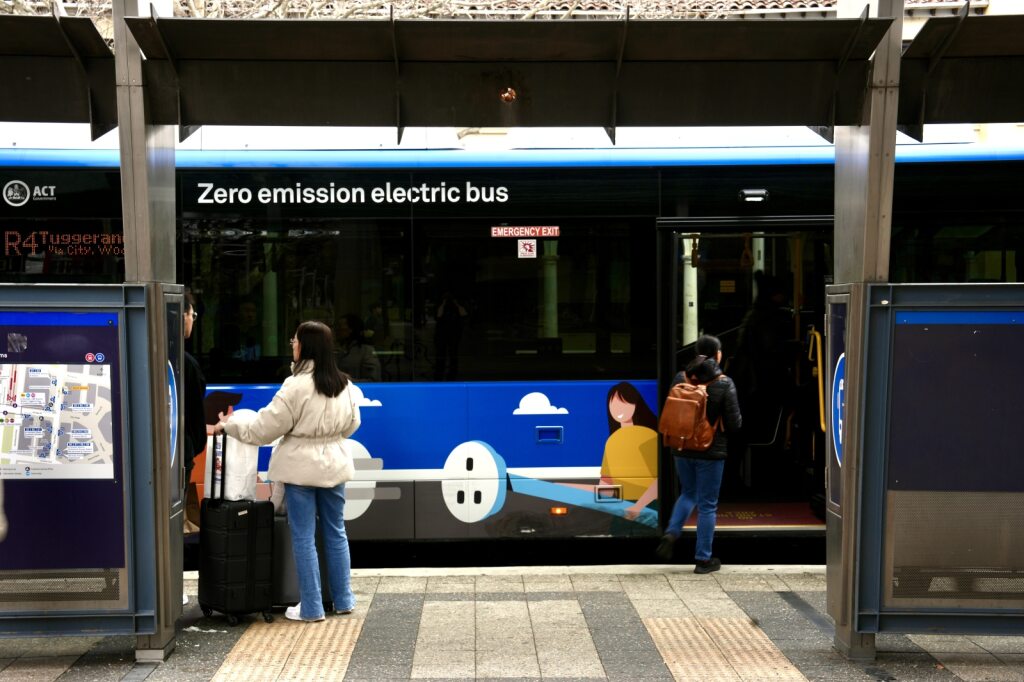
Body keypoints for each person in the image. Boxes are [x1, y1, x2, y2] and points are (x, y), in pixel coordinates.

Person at [213, 320, 360, 622]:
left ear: (305, 346)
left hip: (299, 470)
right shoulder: (344, 383)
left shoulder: (295, 386)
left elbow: (263, 429)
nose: (292, 345)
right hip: (335, 464)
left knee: (303, 537)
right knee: (335, 531)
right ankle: (344, 600)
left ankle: (312, 607)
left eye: (294, 341)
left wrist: (230, 425)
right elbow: (352, 424)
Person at [657, 335, 742, 573]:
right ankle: (703, 559)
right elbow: (735, 424)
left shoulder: (680, 377)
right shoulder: (724, 383)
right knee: (707, 505)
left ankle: (671, 534)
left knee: (688, 493)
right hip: (710, 451)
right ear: (717, 355)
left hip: (681, 447)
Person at [600, 382, 659, 521]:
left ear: (635, 405)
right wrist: (605, 503)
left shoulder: (649, 436)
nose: (618, 408)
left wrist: (638, 506)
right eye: (613, 404)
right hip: (621, 506)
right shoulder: (612, 440)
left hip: (648, 505)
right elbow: (606, 480)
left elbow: (658, 479)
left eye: (623, 403)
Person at [182, 290, 207, 525]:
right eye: (193, 315)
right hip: (180, 452)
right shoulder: (186, 364)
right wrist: (195, 444)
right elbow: (195, 416)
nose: (192, 320)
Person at [336, 313, 381, 382]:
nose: (337, 329)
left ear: (351, 329)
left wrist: (351, 381)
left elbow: (373, 379)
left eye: (340, 326)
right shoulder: (340, 350)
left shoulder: (366, 350)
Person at [434, 292, 467, 380]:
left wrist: (456, 304)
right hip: (442, 335)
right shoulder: (441, 306)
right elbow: (438, 315)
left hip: (453, 335)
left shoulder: (456, 307)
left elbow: (464, 314)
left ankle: (452, 373)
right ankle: (439, 372)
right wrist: (443, 304)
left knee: (453, 354)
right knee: (441, 354)